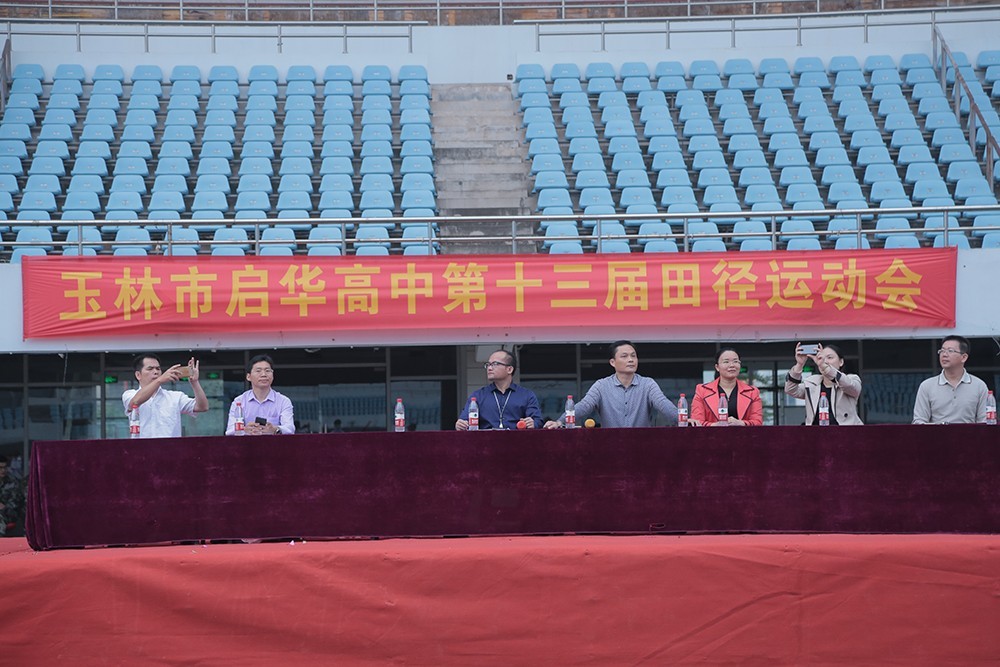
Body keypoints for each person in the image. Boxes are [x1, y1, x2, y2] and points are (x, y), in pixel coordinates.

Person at [543, 341, 678, 429]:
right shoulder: (601, 386)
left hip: (642, 445)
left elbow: (663, 404)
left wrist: (682, 419)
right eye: (624, 356)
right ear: (612, 362)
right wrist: (560, 422)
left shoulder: (648, 384)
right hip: (610, 445)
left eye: (633, 356)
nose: (631, 360)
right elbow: (584, 406)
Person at [122, 353, 209, 438]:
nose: (156, 372)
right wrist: (160, 380)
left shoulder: (175, 397)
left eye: (158, 369)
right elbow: (135, 401)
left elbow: (202, 407)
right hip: (141, 447)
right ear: (138, 375)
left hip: (171, 447)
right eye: (150, 369)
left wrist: (195, 383)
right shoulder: (129, 394)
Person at [456, 350, 543, 430]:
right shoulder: (478, 396)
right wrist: (460, 424)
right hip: (486, 440)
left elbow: (538, 422)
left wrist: (532, 423)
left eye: (495, 364)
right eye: (488, 364)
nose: (489, 368)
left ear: (509, 369)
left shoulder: (526, 395)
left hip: (516, 440)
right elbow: (464, 421)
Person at [913, 335, 990, 424]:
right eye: (942, 351)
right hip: (937, 433)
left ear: (964, 357)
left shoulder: (979, 386)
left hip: (968, 433)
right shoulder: (927, 386)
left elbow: (985, 422)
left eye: (950, 351)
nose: (944, 355)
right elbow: (919, 421)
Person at [785, 343, 863, 425]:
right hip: (816, 432)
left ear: (841, 362)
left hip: (846, 431)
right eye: (821, 358)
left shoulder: (852, 379)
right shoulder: (812, 384)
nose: (824, 361)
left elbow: (850, 386)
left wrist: (825, 367)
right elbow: (790, 390)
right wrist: (799, 365)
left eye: (829, 357)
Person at [690, 347, 763, 426]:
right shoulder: (702, 391)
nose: (732, 365)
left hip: (743, 434)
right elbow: (696, 422)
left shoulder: (752, 392)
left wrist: (741, 423)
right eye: (726, 362)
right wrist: (714, 425)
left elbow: (758, 422)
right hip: (711, 434)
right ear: (717, 367)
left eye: (735, 361)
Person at [226, 354, 296, 435]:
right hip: (247, 443)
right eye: (258, 371)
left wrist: (275, 430)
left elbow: (290, 429)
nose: (263, 375)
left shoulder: (283, 401)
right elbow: (229, 432)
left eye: (267, 371)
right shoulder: (239, 401)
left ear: (273, 376)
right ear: (248, 377)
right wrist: (244, 430)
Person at [0, 456, 25, 537]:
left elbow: (16, 503)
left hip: (9, 512)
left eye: (5, 467)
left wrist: (3, 507)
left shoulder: (13, 482)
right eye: (0, 468)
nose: (3, 470)